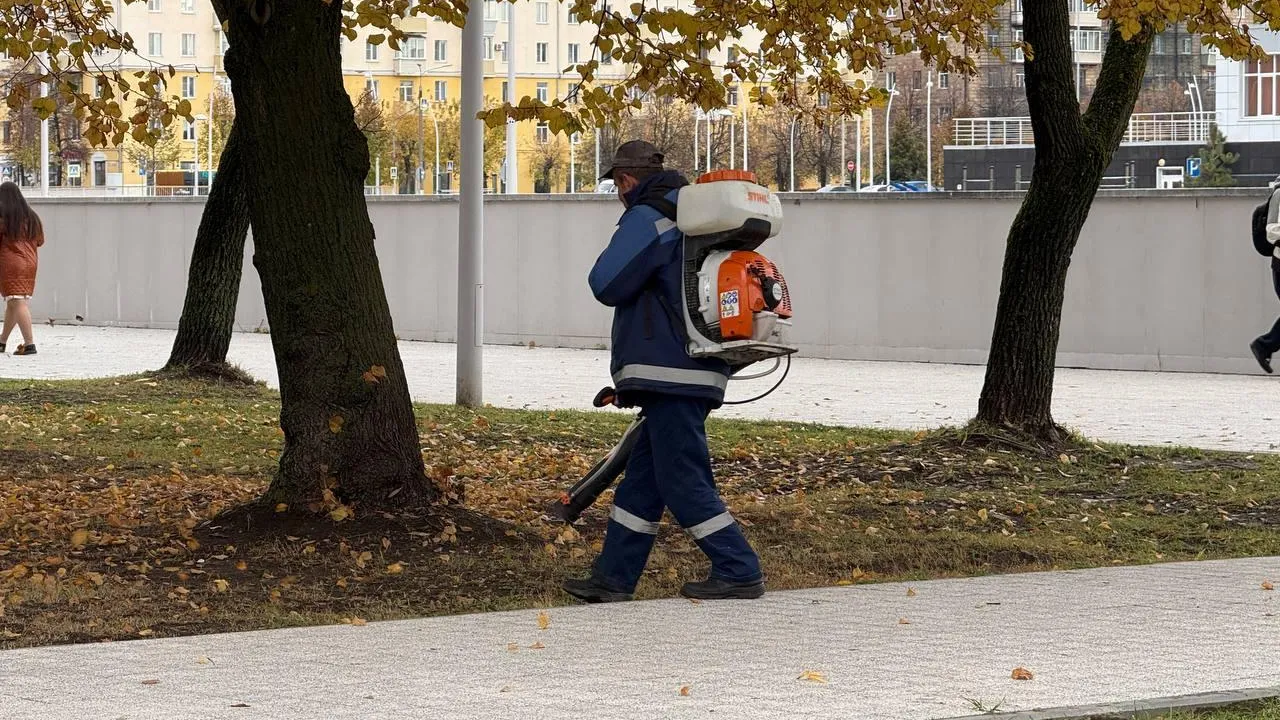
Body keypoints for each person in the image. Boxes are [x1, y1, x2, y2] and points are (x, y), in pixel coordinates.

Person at [561, 141, 765, 603]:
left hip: (671, 368)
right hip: (700, 363)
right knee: (644, 482)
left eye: (616, 184)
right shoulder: (698, 217)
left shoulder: (650, 216)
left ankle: (738, 568)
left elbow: (606, 283)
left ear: (626, 180)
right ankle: (613, 578)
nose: (617, 192)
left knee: (682, 477)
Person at [0, 181, 44, 356]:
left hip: (10, 262)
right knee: (14, 302)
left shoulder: (4, 218)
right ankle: (2, 341)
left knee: (18, 302)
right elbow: (40, 241)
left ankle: (29, 344)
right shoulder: (32, 217)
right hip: (30, 262)